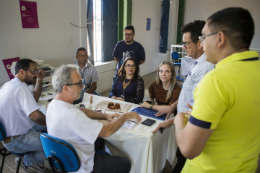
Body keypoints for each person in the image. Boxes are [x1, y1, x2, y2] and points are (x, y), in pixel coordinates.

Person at [154, 7, 260, 173]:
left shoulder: (216, 80)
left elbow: (189, 149)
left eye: (203, 37)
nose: (201, 43)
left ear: (219, 38)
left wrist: (179, 118)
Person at [47, 64, 141, 173]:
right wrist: (125, 116)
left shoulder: (54, 104)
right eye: (78, 83)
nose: (82, 87)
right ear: (66, 88)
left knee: (100, 141)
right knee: (125, 163)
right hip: (83, 166)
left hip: (66, 158)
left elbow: (80, 110)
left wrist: (105, 116)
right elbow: (107, 132)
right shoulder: (71, 115)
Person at [156, 20, 215, 173]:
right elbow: (188, 93)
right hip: (182, 120)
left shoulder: (206, 69)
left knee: (184, 160)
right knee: (179, 157)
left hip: (190, 127)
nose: (183, 47)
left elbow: (197, 110)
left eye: (186, 43)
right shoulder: (198, 63)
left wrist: (172, 122)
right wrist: (173, 106)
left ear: (200, 42)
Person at [0, 59, 49, 172]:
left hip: (15, 132)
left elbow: (35, 98)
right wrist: (51, 123)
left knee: (47, 127)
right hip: (17, 139)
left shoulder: (11, 84)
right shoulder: (20, 88)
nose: (36, 75)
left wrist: (40, 80)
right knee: (52, 145)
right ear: (22, 72)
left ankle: (35, 155)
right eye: (33, 72)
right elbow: (36, 116)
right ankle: (26, 162)